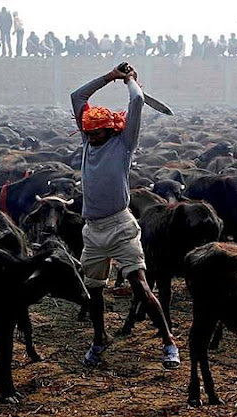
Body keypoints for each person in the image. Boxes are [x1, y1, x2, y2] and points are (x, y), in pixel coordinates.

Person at [70, 64, 181, 369]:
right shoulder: (87, 141)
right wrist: (110, 77)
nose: (91, 138)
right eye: (88, 133)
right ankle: (99, 338)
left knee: (141, 287)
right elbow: (77, 96)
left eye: (97, 133)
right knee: (94, 291)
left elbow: (137, 102)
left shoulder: (123, 144)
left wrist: (131, 81)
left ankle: (169, 341)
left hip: (120, 226)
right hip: (92, 230)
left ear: (110, 130)